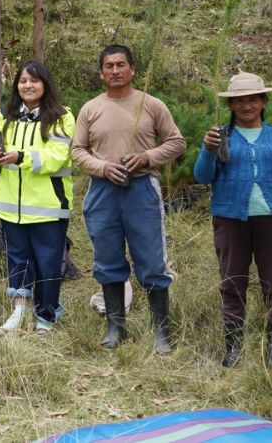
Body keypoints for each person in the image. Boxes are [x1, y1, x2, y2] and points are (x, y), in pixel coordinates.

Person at [71, 44, 185, 355]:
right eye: (109, 66)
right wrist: (103, 167)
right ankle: (115, 327)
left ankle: (161, 332)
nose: (115, 70)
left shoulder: (152, 105)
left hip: (141, 189)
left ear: (133, 69)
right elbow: (77, 150)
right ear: (101, 73)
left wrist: (147, 157)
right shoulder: (90, 109)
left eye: (121, 64)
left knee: (152, 260)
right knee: (107, 258)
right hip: (103, 191)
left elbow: (176, 142)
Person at [193, 72, 272, 369]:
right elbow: (202, 176)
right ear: (231, 105)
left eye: (253, 99)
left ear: (264, 102)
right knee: (232, 283)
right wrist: (207, 151)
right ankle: (233, 348)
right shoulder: (219, 136)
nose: (246, 105)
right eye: (239, 101)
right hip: (230, 221)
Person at [0, 60, 76, 335]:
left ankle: (46, 315)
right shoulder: (4, 116)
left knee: (48, 262)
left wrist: (20, 157)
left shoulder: (61, 117)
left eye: (34, 80)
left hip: (48, 205)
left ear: (45, 84)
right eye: (23, 81)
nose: (28, 85)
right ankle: (19, 310)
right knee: (18, 260)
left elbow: (57, 157)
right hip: (11, 205)